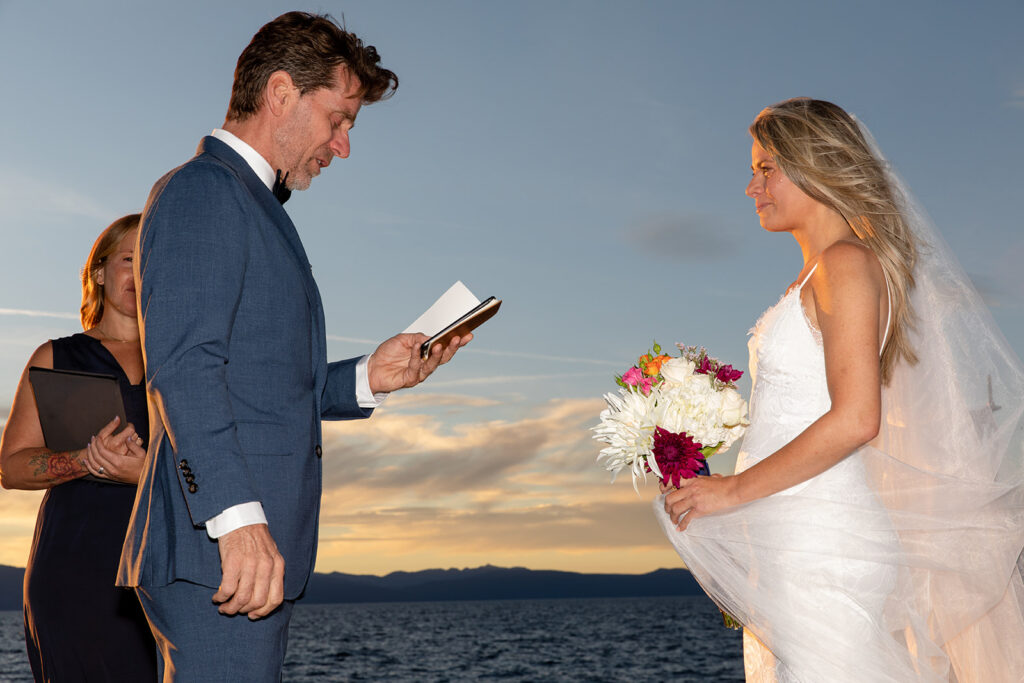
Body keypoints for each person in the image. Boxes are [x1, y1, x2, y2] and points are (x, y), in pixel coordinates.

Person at [115, 11, 470, 681]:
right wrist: (235, 519)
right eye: (338, 120)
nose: (341, 146)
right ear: (280, 93)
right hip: (219, 553)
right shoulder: (204, 192)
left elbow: (262, 380)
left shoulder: (250, 203)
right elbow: (185, 368)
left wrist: (371, 376)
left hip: (242, 553)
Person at [655, 98, 1024, 681]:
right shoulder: (815, 271)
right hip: (790, 535)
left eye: (766, 167)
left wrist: (732, 492)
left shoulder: (846, 263)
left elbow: (856, 419)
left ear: (816, 165)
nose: (752, 186)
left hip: (821, 541)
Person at [0, 214, 158, 681]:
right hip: (74, 574)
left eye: (151, 259)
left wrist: (147, 471)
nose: (140, 272)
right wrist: (84, 460)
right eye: (129, 258)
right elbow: (10, 468)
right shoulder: (56, 357)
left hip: (164, 571)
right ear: (100, 272)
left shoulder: (182, 363)